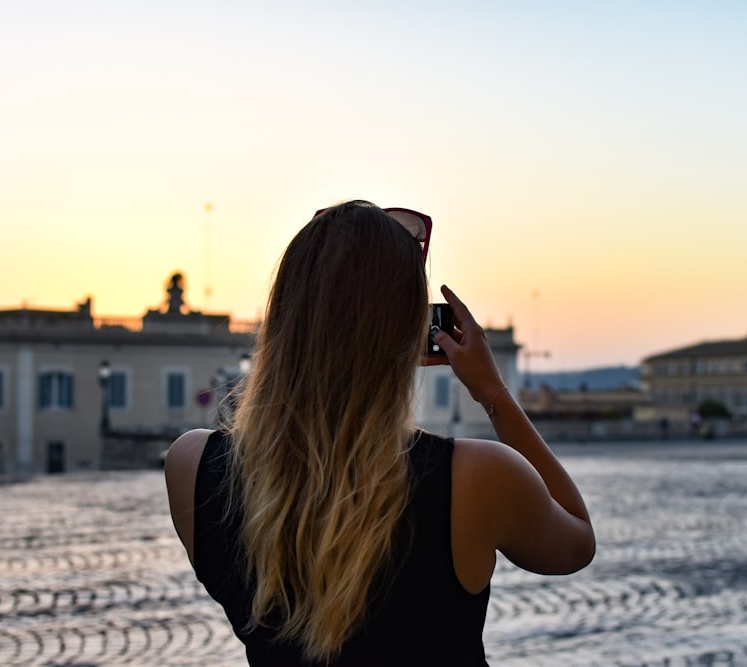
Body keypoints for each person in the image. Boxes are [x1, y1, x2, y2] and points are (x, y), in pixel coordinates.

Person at [164, 200, 595, 666]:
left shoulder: (191, 466)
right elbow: (576, 539)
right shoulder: (475, 477)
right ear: (410, 331)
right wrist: (492, 391)